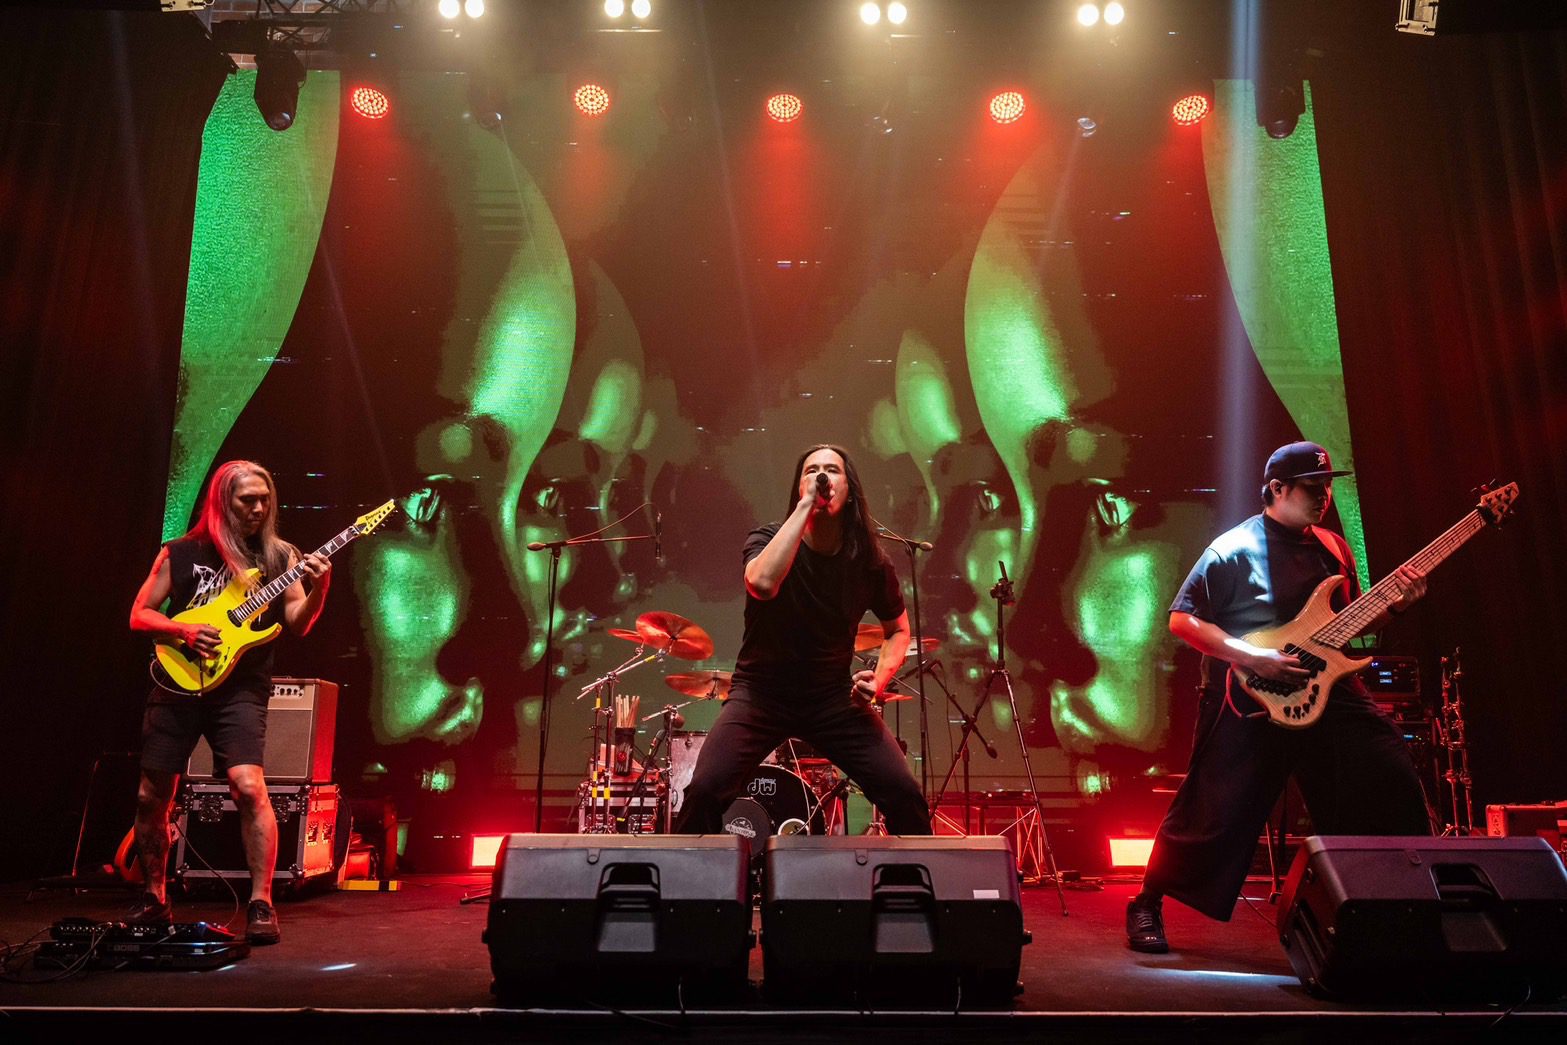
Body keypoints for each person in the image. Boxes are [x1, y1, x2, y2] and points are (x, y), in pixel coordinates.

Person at [1126, 441, 1431, 953]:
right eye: (1313, 488)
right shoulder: (1232, 548)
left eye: (1327, 486)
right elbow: (1183, 619)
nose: (1324, 497)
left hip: (1327, 689)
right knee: (1213, 810)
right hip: (1250, 693)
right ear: (1277, 489)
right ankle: (1146, 901)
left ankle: (1393, 907)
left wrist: (1395, 607)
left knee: (1388, 774)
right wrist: (1252, 657)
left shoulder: (1334, 548)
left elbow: (1347, 625)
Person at [674, 444, 932, 837]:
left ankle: (918, 876)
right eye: (811, 470)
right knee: (706, 791)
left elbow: (898, 630)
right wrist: (806, 506)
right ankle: (687, 876)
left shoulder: (869, 561)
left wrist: (878, 681)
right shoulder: (766, 538)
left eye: (831, 469)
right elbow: (762, 583)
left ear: (850, 489)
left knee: (904, 793)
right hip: (761, 695)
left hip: (832, 699)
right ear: (799, 488)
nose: (821, 476)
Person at [128, 460, 332, 944]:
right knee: (151, 795)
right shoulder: (180, 552)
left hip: (240, 688)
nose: (259, 508)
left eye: (265, 499)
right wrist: (182, 629)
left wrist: (321, 585)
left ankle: (261, 903)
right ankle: (154, 899)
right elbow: (139, 615)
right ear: (223, 501)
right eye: (248, 500)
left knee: (248, 787)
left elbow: (298, 622)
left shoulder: (280, 556)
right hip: (178, 680)